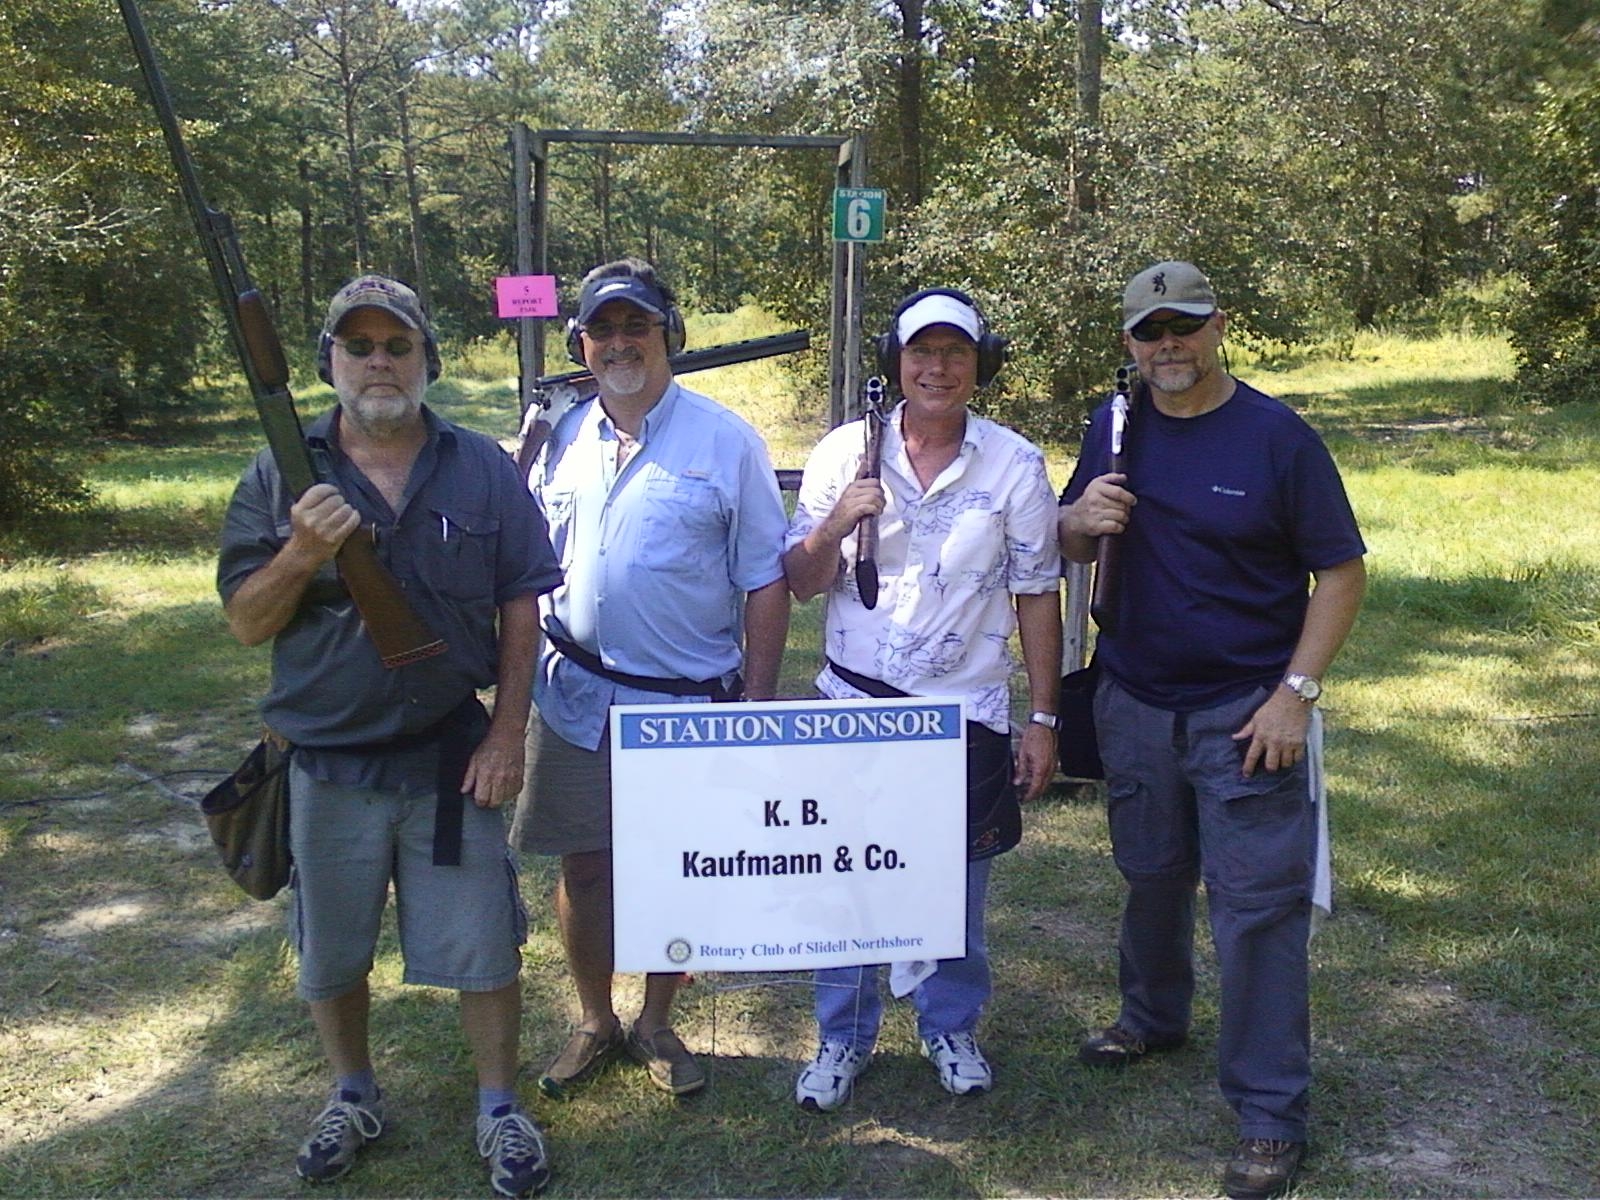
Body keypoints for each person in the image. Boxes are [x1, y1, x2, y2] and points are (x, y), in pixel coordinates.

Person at [217, 275, 563, 1198]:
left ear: (426, 361)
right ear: (329, 362)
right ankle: (353, 1095)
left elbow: (521, 604)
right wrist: (301, 552)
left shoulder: (480, 465)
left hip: (452, 758)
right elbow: (247, 622)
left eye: (397, 346)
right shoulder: (278, 473)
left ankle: (500, 1107)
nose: (379, 362)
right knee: (330, 951)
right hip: (328, 765)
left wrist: (508, 732)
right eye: (359, 346)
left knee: (485, 946)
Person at [1058, 261, 1367, 1200]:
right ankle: (1152, 1018)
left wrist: (1295, 694)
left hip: (1246, 714)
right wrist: (1078, 519)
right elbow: (1067, 540)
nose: (1169, 345)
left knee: (1256, 911)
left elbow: (1341, 573)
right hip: (1134, 698)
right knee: (1150, 874)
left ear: (1218, 326)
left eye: (1184, 325)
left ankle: (1270, 1113)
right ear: (1130, 342)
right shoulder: (1115, 426)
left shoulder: (1278, 439)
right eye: (1150, 331)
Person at [509, 258, 791, 1099]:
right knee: (585, 868)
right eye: (603, 330)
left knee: (680, 869)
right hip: (574, 695)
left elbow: (765, 580)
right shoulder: (557, 437)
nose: (621, 343)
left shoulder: (726, 440)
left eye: (638, 326)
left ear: (670, 335)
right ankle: (596, 1018)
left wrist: (756, 708)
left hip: (685, 705)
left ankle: (658, 1020)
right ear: (581, 345)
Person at [783, 287, 1062, 1111]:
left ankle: (950, 1024)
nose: (937, 368)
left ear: (981, 365)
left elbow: (1037, 592)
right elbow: (800, 581)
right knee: (846, 882)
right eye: (921, 352)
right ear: (894, 363)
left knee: (957, 887)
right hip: (852, 707)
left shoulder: (1015, 464)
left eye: (955, 352)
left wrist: (1043, 717)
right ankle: (843, 1034)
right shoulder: (844, 452)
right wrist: (838, 522)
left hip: (962, 713)